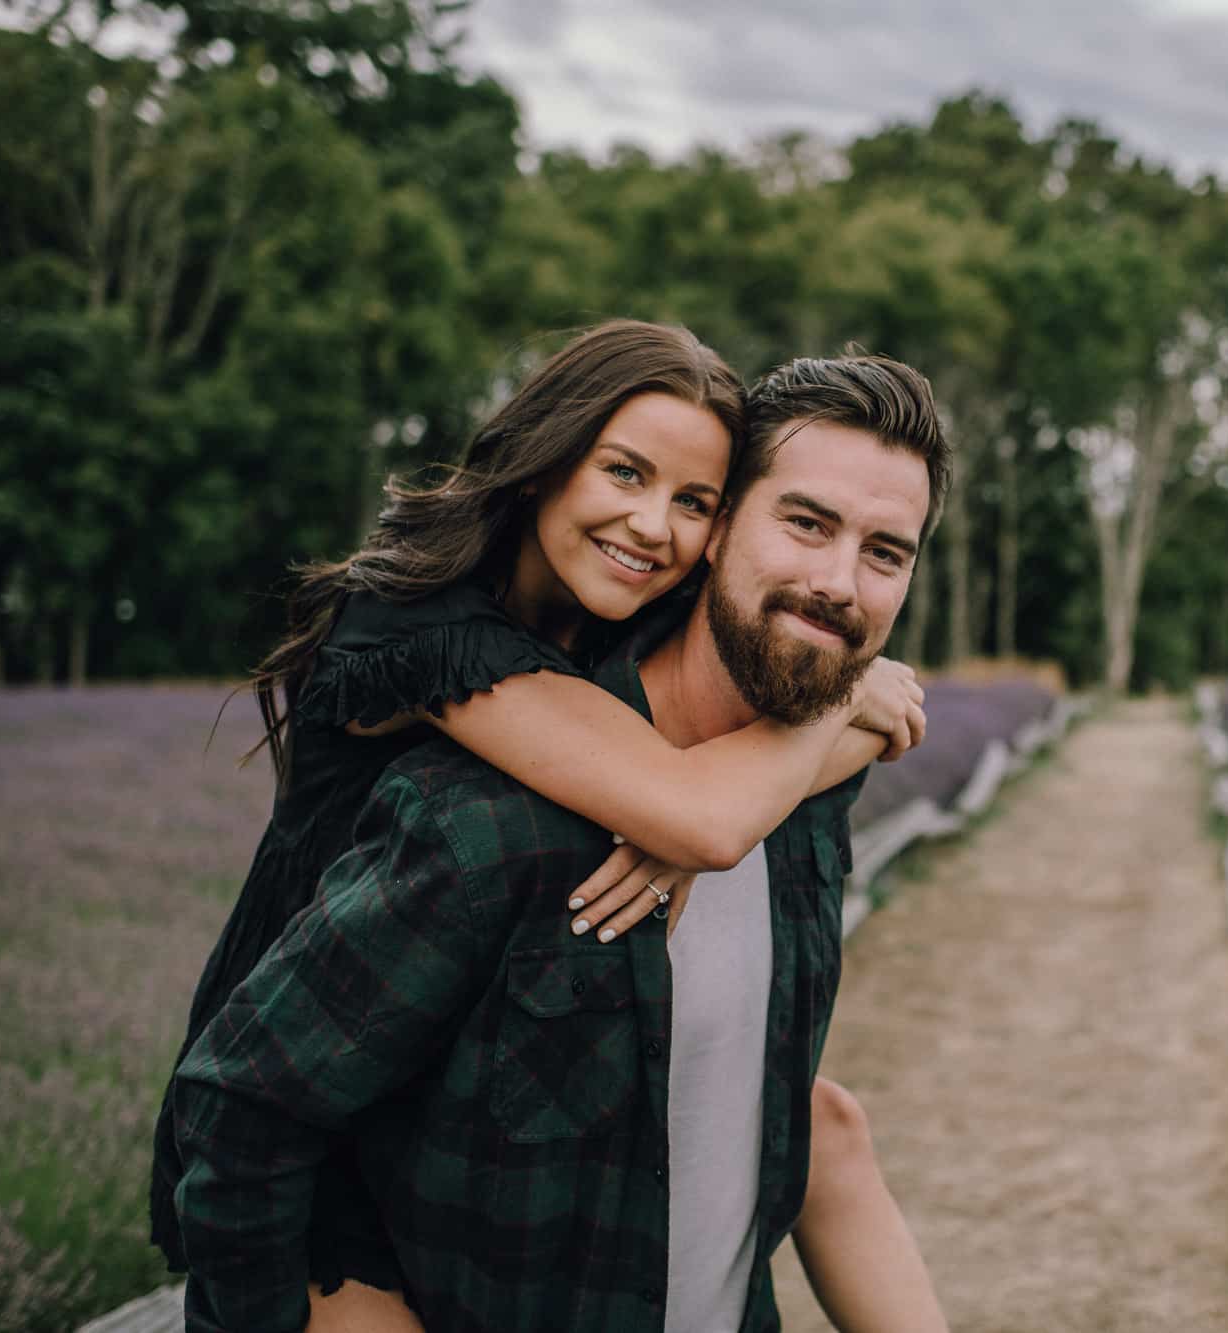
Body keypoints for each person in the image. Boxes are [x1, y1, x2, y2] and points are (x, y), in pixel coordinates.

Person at [151, 324, 945, 1331]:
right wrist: (833, 711)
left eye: (689, 501)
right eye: (622, 471)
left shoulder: (665, 694)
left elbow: (707, 810)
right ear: (540, 462)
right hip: (329, 1165)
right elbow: (697, 814)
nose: (653, 524)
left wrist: (819, 718)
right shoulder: (423, 650)